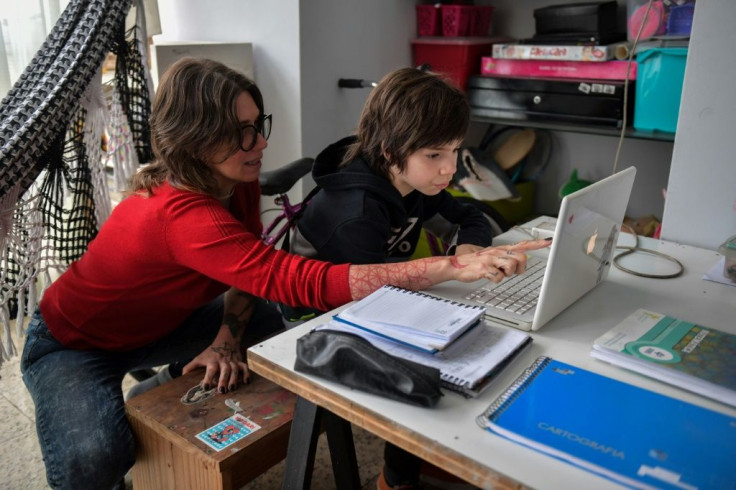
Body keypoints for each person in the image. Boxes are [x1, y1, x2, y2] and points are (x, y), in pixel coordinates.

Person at [20, 57, 549, 489]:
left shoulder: (235, 177)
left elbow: (247, 273)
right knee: (96, 458)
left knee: (296, 338)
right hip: (76, 344)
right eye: (241, 132)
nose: (260, 144)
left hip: (169, 321)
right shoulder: (178, 215)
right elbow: (301, 280)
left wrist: (227, 338)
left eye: (258, 126)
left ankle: (153, 390)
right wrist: (451, 266)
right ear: (194, 138)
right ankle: (136, 407)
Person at [287, 67, 513, 489]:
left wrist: (466, 248)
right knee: (431, 357)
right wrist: (453, 274)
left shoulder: (410, 180)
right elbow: (370, 304)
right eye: (434, 155)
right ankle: (397, 477)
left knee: (476, 336)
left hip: (374, 292)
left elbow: (469, 214)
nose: (450, 169)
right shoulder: (355, 211)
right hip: (312, 322)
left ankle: (426, 463)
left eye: (455, 151)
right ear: (391, 149)